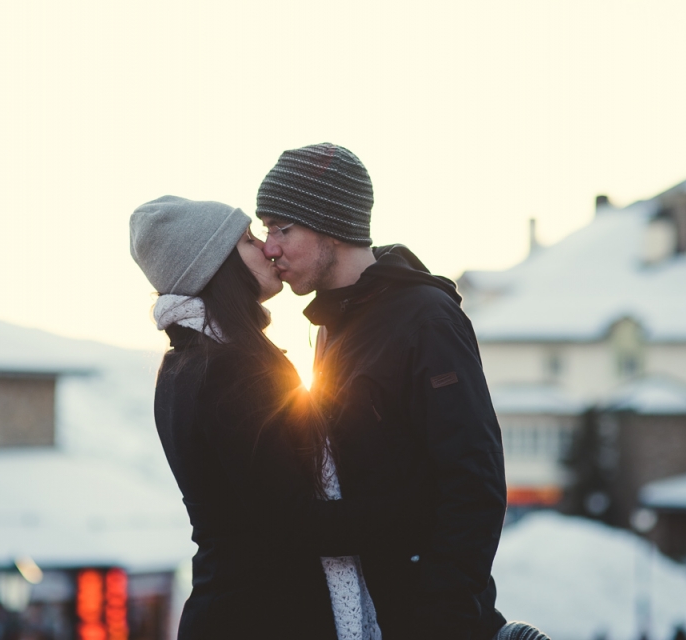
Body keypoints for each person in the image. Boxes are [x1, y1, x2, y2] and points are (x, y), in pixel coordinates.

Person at [129, 195, 420, 640]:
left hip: (229, 609)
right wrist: (414, 507)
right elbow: (293, 522)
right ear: (217, 266)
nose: (266, 248)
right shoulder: (230, 369)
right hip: (262, 616)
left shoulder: (181, 365)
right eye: (247, 239)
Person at [256, 143, 509, 640]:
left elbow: (473, 481)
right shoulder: (334, 327)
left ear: (329, 223)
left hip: (428, 617)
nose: (270, 247)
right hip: (365, 614)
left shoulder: (425, 319)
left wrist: (443, 616)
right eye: (266, 230)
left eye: (281, 228)